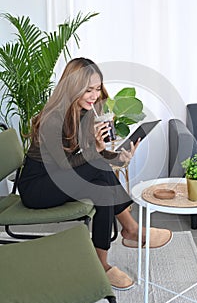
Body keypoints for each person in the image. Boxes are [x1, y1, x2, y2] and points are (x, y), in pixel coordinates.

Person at [18, 57, 172, 290]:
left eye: (97, 88)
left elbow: (89, 159)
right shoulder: (52, 119)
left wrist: (119, 157)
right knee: (99, 175)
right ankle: (130, 230)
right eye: (87, 90)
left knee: (103, 188)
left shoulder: (85, 112)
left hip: (61, 180)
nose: (94, 95)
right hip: (38, 188)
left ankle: (104, 263)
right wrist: (99, 152)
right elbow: (66, 168)